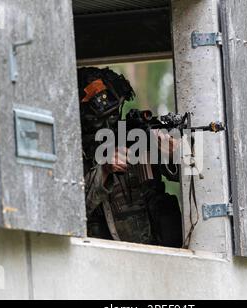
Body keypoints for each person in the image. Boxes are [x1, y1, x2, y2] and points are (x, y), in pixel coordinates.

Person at [78, 67, 183, 248]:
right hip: (99, 254)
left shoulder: (138, 135)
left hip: (156, 250)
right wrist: (104, 171)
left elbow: (197, 178)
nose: (110, 123)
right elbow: (74, 208)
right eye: (101, 119)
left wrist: (174, 153)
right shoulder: (74, 151)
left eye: (114, 114)